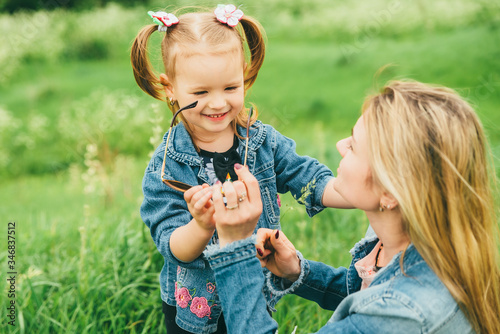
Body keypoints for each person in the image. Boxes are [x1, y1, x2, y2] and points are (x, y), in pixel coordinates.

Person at [205, 80, 500, 333]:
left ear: (390, 192)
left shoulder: (406, 310)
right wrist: (298, 272)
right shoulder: (420, 244)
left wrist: (234, 245)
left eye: (355, 146)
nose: (340, 145)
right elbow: (366, 298)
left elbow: (379, 313)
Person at [130, 5, 350, 333]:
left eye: (230, 88)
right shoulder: (168, 166)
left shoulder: (261, 142)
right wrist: (202, 225)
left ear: (244, 77)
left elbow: (305, 176)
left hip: (252, 292)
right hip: (197, 311)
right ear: (171, 88)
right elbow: (173, 246)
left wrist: (354, 193)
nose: (218, 103)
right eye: (201, 92)